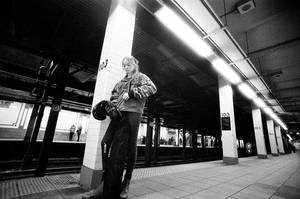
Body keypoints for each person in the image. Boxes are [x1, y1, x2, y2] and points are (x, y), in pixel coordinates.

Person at [83, 56, 157, 199]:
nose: (126, 67)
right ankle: (105, 181)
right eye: (124, 65)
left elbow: (152, 88)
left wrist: (131, 93)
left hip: (133, 113)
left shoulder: (141, 77)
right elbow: (114, 97)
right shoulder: (120, 82)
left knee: (130, 147)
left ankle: (127, 181)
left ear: (135, 64)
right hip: (119, 115)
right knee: (105, 142)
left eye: (128, 64)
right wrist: (110, 108)